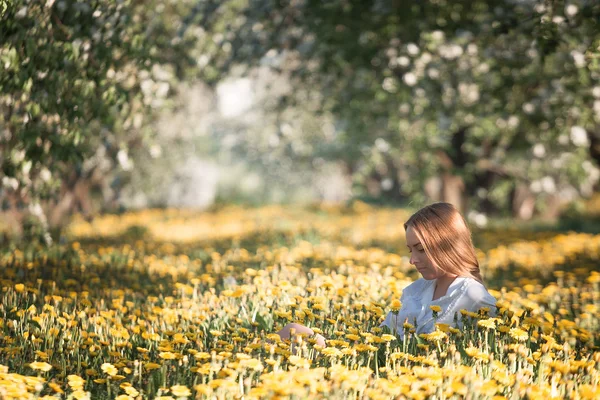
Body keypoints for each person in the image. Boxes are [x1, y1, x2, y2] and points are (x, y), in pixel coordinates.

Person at [277, 202, 497, 346]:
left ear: (447, 246)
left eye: (421, 249)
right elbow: (379, 339)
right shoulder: (416, 290)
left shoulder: (474, 297)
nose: (412, 260)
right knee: (292, 330)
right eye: (410, 250)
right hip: (379, 369)